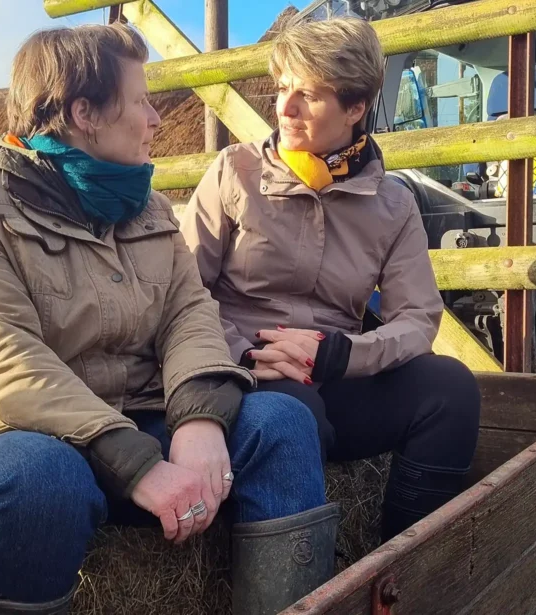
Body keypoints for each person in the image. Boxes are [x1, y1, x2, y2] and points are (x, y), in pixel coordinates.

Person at [0, 24, 335, 615]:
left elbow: (189, 313)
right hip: (2, 433)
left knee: (280, 422)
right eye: (141, 102)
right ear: (85, 113)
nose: (156, 119)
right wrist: (136, 464)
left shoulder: (148, 207)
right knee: (44, 483)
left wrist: (199, 420)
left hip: (139, 418)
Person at [181, 17, 482, 544]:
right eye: (282, 89)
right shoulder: (235, 172)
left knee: (452, 389)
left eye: (309, 95)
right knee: (296, 417)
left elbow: (416, 320)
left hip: (334, 372)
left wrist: (342, 355)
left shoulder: (393, 205)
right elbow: (183, 292)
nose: (285, 108)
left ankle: (401, 570)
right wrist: (246, 353)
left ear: (356, 108)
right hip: (244, 373)